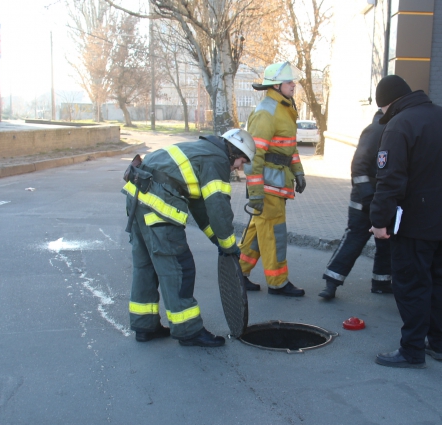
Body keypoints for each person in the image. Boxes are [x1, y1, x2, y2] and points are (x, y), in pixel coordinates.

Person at [369, 75, 442, 369]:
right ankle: (439, 343)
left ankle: (412, 350)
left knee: (412, 286)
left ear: (388, 104)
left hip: (415, 225)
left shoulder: (399, 125)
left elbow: (389, 180)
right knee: (439, 283)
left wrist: (379, 221)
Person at [122, 129, 255, 347]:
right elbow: (219, 209)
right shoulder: (218, 160)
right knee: (179, 268)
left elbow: (200, 208)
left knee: (146, 266)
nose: (239, 167)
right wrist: (230, 246)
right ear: (234, 152)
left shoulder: (201, 151)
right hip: (159, 205)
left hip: (136, 197)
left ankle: (145, 326)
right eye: (242, 160)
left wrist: (218, 241)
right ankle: (188, 331)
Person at [238, 61, 307, 297]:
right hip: (268, 186)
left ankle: (239, 272)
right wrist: (256, 193)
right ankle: (278, 282)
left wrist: (298, 171)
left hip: (276, 183)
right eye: (289, 82)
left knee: (260, 230)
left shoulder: (284, 109)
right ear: (276, 85)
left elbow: (289, 148)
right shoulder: (267, 112)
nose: (293, 85)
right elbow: (253, 155)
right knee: (274, 232)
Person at [317, 109, 392, 299]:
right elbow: (359, 167)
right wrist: (368, 199)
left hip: (384, 201)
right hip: (364, 202)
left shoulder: (393, 130)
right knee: (354, 240)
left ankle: (382, 282)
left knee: (386, 243)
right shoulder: (375, 131)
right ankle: (332, 282)